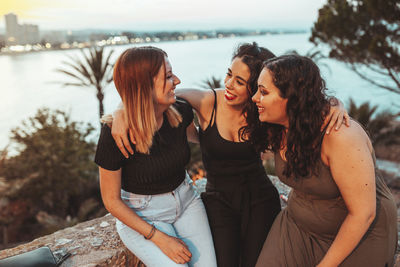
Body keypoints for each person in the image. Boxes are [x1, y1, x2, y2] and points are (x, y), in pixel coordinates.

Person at [111, 43, 349, 267]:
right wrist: (121, 110)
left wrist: (336, 105)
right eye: (229, 74)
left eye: (239, 81)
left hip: (260, 199)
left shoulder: (265, 111)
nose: (228, 84)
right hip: (219, 201)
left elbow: (304, 102)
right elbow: (150, 93)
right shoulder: (207, 101)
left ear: (257, 87)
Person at [252, 55, 397, 267]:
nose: (255, 97)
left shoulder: (340, 136)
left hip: (360, 233)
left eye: (263, 92)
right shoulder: (277, 126)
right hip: (298, 226)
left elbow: (363, 214)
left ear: (292, 98)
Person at [94, 46, 217, 267]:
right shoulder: (115, 134)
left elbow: (202, 136)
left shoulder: (180, 112)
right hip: (143, 215)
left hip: (187, 202)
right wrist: (158, 238)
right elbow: (111, 201)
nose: (177, 80)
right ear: (144, 86)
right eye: (169, 76)